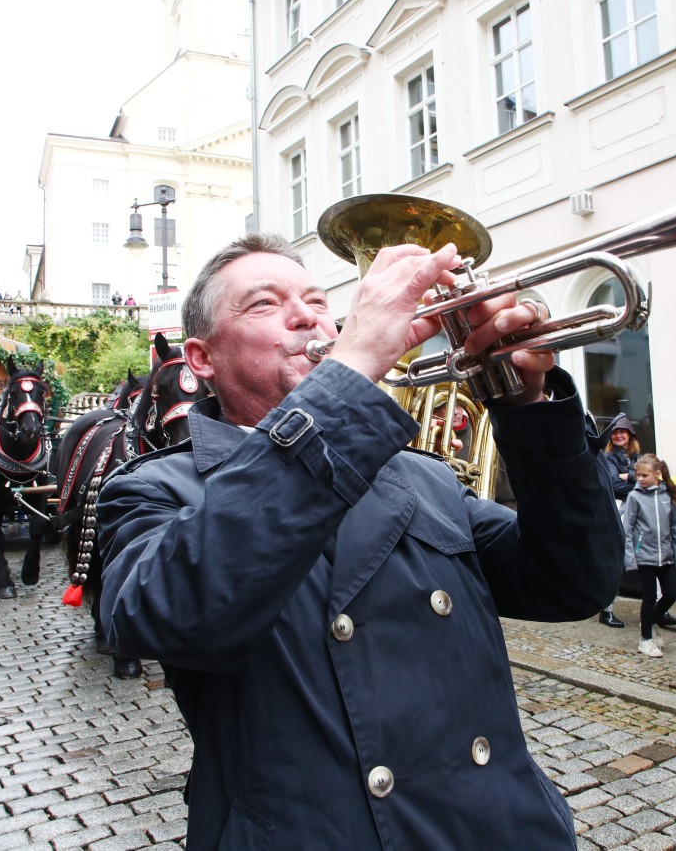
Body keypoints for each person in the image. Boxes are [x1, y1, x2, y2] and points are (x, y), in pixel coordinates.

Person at [97, 232, 623, 850]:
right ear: (201, 359)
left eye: (318, 301)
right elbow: (175, 616)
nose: (306, 315)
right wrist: (349, 376)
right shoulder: (157, 488)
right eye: (264, 304)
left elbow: (574, 581)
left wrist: (525, 400)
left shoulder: (422, 474)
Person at [622, 453, 676, 658]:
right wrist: (630, 558)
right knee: (649, 597)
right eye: (638, 475)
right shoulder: (635, 496)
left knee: (672, 592)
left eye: (644, 475)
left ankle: (649, 622)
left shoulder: (669, 495)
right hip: (644, 556)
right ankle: (645, 639)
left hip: (666, 556)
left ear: (657, 474)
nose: (640, 479)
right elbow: (628, 529)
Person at [594, 412, 640, 628]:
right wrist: (638, 480)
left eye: (623, 432)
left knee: (652, 560)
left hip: (641, 513)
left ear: (630, 435)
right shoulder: (608, 458)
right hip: (619, 513)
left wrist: (629, 477)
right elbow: (613, 484)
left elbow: (655, 476)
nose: (619, 436)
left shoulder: (639, 457)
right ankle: (607, 609)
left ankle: (660, 607)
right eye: (615, 432)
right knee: (617, 559)